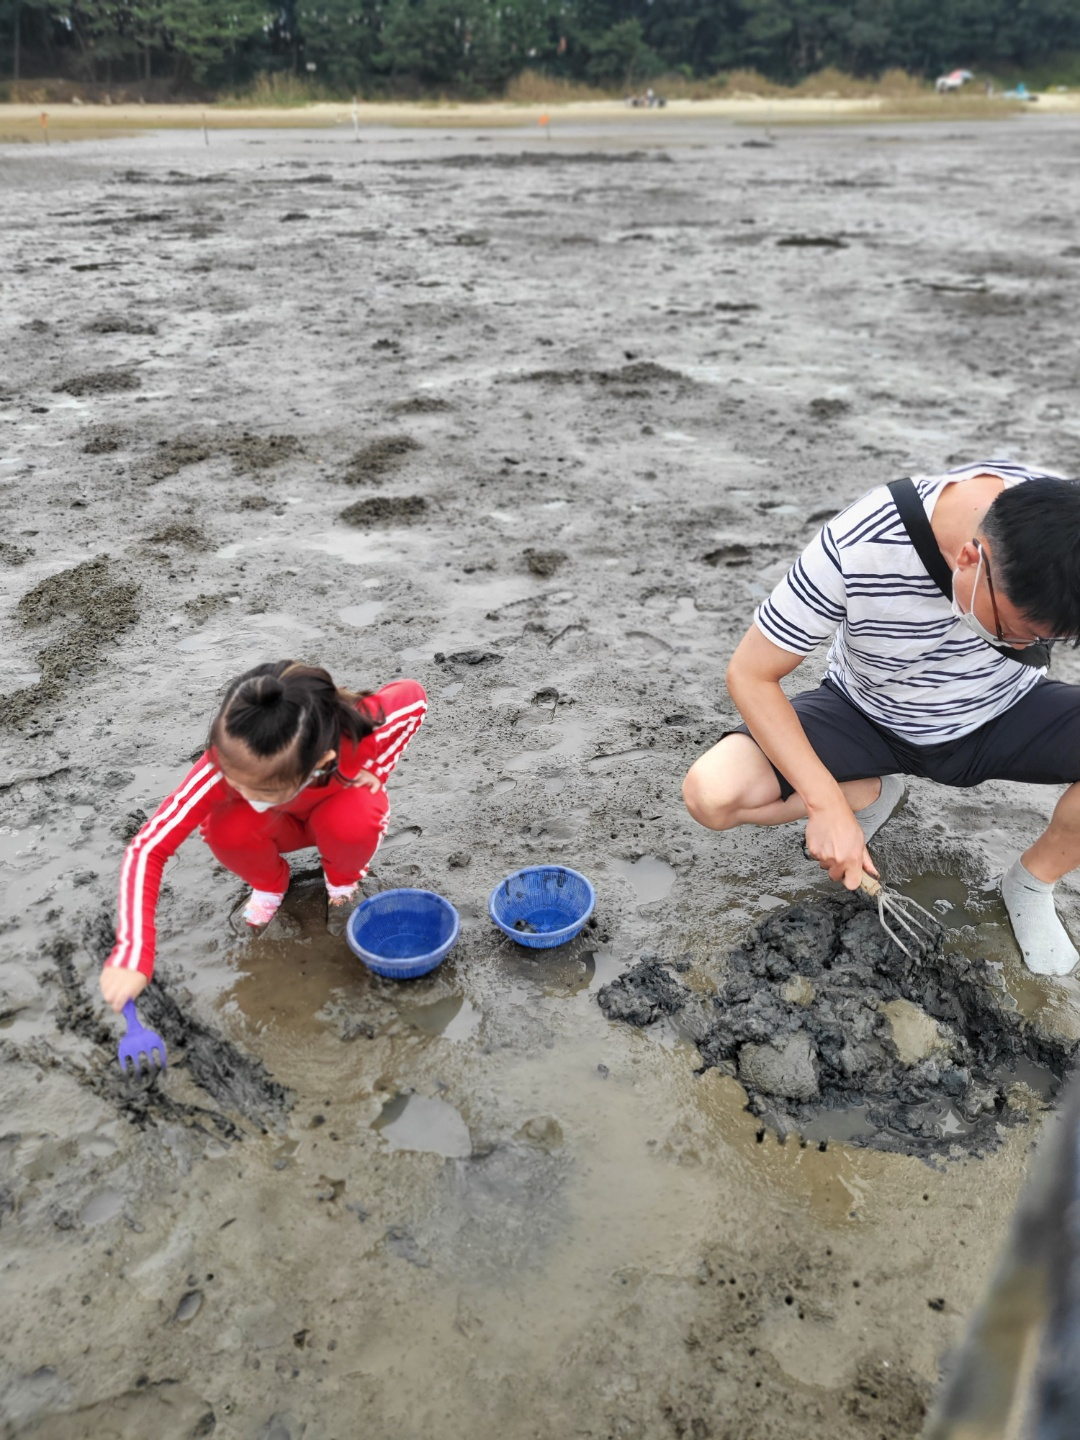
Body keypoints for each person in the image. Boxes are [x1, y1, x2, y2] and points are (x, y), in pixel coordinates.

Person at [682, 461, 1080, 977]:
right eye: (1016, 632)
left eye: (1046, 640)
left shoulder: (1066, 529)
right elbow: (750, 673)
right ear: (970, 558)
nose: (1028, 646)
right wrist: (824, 803)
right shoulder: (862, 541)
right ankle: (868, 792)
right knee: (712, 795)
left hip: (1001, 713)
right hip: (864, 715)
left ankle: (1030, 881)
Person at [100, 662, 426, 1011]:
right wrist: (133, 953)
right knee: (221, 824)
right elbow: (148, 847)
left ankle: (342, 884)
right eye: (231, 776)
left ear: (321, 761)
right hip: (271, 826)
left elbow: (415, 697)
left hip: (335, 813)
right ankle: (270, 883)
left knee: (356, 818)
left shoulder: (360, 727)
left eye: (256, 787)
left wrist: (376, 768)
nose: (233, 786)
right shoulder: (226, 764)